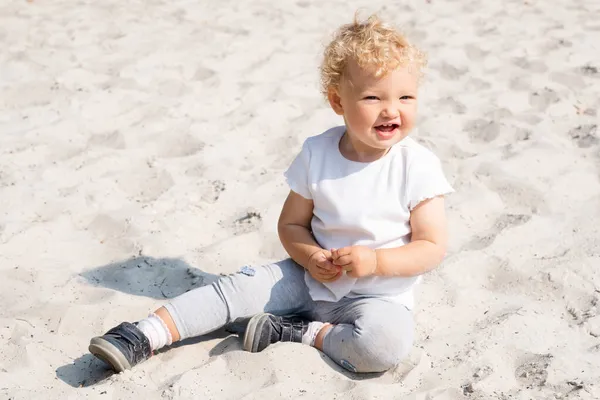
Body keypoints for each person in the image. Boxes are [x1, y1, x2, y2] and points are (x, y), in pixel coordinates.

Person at [89, 13, 453, 374]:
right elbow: (291, 225)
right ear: (338, 102)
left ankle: (306, 332)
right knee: (235, 290)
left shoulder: (416, 165)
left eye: (406, 96)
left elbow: (431, 246)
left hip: (377, 296)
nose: (392, 109)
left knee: (382, 347)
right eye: (373, 97)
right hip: (308, 279)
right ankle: (143, 334)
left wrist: (375, 263)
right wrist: (310, 257)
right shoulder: (317, 153)